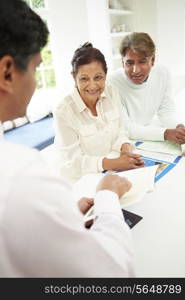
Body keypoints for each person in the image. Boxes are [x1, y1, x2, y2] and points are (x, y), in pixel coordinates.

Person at [0, 0, 135, 277]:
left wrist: (65, 216)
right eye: (38, 67)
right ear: (7, 72)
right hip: (92, 187)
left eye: (99, 77)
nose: (92, 85)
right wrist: (107, 194)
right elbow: (112, 274)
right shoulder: (21, 171)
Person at [53, 42, 144, 183]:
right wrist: (114, 163)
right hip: (79, 182)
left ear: (106, 75)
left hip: (110, 173)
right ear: (73, 77)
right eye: (84, 79)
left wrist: (125, 147)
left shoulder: (112, 92)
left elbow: (120, 130)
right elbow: (73, 163)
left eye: (98, 77)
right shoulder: (63, 111)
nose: (92, 85)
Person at [109, 32, 185, 145]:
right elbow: (126, 127)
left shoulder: (162, 73)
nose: (136, 70)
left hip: (149, 134)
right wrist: (165, 134)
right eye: (129, 63)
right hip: (126, 141)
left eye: (142, 62)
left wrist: (179, 128)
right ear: (122, 63)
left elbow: (167, 112)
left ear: (152, 60)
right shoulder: (112, 82)